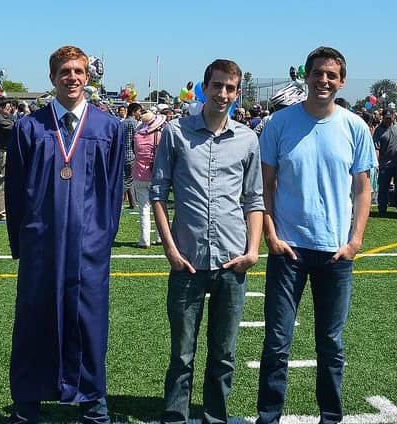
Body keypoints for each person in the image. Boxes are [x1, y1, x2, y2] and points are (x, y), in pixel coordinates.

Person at [255, 46, 376, 424]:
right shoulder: (279, 124)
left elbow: (362, 188)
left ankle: (331, 416)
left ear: (341, 81)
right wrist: (271, 236)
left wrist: (355, 242)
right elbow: (266, 186)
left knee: (331, 344)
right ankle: (268, 416)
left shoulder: (354, 125)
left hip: (335, 254)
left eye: (331, 75)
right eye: (317, 73)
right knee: (277, 344)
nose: (323, 80)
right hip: (287, 250)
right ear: (305, 76)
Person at [5, 45, 124, 424]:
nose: (72, 77)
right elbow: (14, 190)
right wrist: (24, 241)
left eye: (79, 71)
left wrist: (103, 239)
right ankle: (27, 405)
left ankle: (93, 405)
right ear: (52, 77)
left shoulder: (108, 128)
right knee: (34, 322)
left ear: (88, 77)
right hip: (42, 247)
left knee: (90, 322)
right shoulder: (30, 127)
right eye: (64, 71)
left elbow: (113, 192)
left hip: (90, 248)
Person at [150, 59, 264, 423]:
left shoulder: (248, 138)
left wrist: (253, 251)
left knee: (224, 353)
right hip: (188, 259)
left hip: (232, 260)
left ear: (237, 92)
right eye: (217, 86)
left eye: (231, 88)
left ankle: (215, 416)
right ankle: (175, 416)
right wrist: (169, 248)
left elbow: (255, 199)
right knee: (182, 354)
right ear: (205, 87)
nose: (224, 94)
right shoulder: (175, 132)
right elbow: (158, 193)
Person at [132, 110, 164, 248]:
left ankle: (144, 240)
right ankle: (160, 237)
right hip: (156, 175)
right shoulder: (159, 135)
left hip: (139, 174)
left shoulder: (137, 136)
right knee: (159, 207)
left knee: (143, 209)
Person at [374, 108, 397, 216]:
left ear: (394, 117)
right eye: (386, 118)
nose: (388, 120)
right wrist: (376, 163)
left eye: (390, 118)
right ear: (383, 117)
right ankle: (382, 208)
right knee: (383, 187)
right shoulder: (378, 130)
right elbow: (376, 148)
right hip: (384, 165)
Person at [0, 97, 17, 220]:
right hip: (4, 152)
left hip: (7, 152)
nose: (10, 109)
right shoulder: (0, 120)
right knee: (2, 184)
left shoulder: (3, 118)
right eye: (7, 108)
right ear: (1, 108)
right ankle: (0, 211)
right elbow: (16, 127)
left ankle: (3, 210)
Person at [121, 102, 142, 208]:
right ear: (134, 112)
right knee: (128, 180)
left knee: (129, 179)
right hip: (131, 154)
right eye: (139, 111)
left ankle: (133, 203)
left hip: (122, 154)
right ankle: (117, 199)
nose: (140, 114)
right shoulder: (133, 123)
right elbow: (136, 139)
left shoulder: (122, 122)